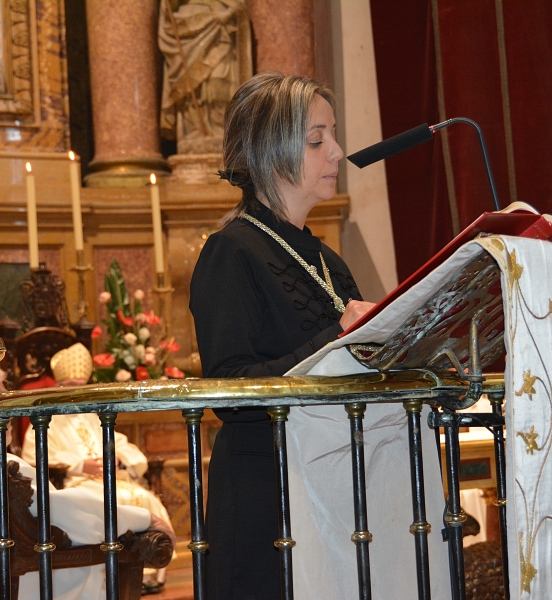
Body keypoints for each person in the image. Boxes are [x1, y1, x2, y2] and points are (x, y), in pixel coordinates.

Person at [189, 72, 374, 600]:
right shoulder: (231, 253)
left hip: (330, 485)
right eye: (317, 140)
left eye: (332, 135)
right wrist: (334, 337)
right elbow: (230, 391)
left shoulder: (326, 259)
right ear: (273, 153)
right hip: (266, 503)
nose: (337, 152)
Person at [0, 365, 153, 600]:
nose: (11, 416)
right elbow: (69, 518)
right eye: (3, 404)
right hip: (15, 586)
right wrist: (144, 519)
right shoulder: (4, 469)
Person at [20, 343, 176, 595]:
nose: (75, 391)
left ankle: (147, 572)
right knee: (107, 502)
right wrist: (80, 466)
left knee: (143, 498)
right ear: (59, 386)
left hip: (111, 481)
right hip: (76, 485)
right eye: (70, 385)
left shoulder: (92, 415)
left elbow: (120, 443)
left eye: (80, 385)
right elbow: (34, 456)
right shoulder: (46, 418)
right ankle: (104, 576)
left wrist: (119, 459)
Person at [158, 0, 251, 155]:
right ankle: (193, 131)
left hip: (219, 27)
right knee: (191, 88)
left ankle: (222, 132)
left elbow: (238, 5)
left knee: (218, 83)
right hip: (187, 23)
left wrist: (228, 13)